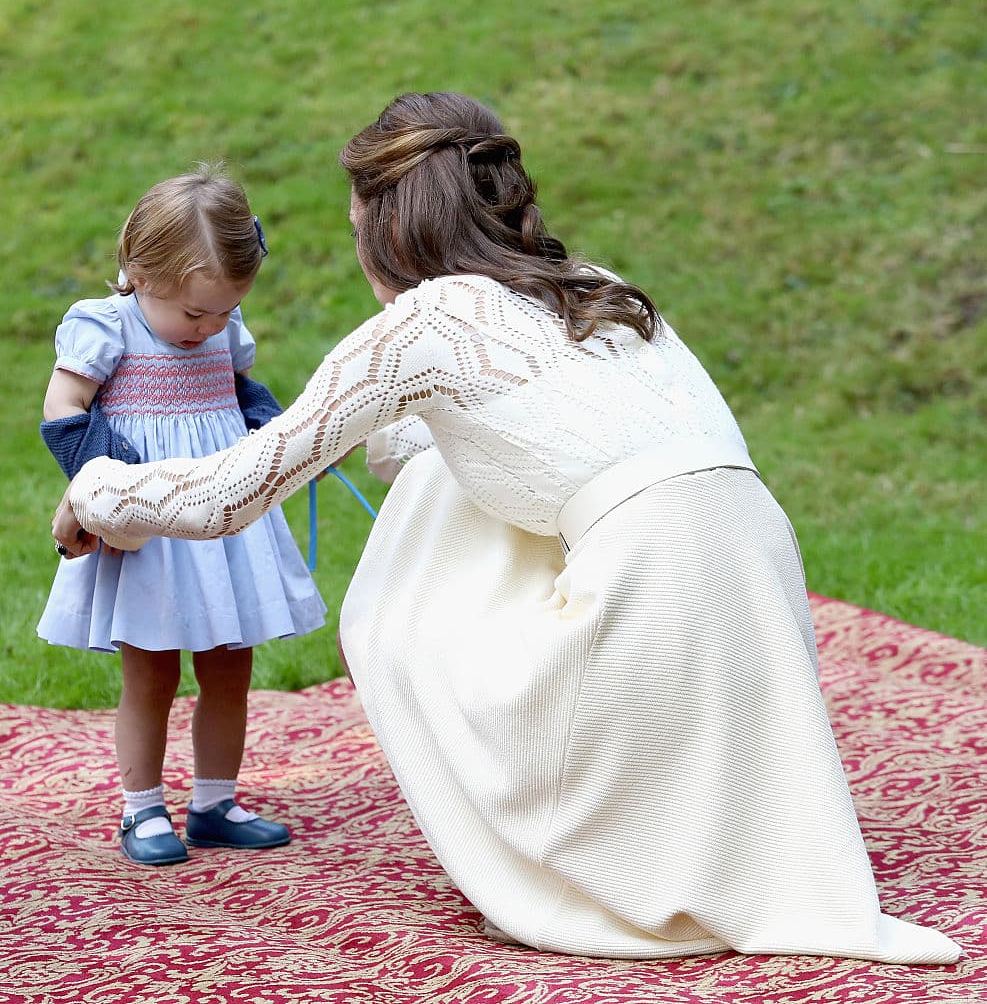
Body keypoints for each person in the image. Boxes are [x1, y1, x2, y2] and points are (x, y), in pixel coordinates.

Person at [53, 94, 959, 962]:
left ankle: (569, 850)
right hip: (757, 577)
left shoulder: (424, 323)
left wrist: (94, 492)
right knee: (448, 473)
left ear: (382, 224)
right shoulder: (594, 286)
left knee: (399, 584)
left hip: (649, 589)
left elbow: (228, 494)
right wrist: (393, 432)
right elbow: (517, 440)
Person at [40, 165, 326, 866]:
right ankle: (142, 809)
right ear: (139, 274)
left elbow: (242, 394)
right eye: (196, 315)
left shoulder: (221, 327)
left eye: (226, 311)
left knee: (230, 666)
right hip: (148, 525)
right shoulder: (105, 327)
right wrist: (108, 488)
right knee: (152, 672)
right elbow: (63, 410)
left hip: (223, 522)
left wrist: (285, 443)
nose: (211, 327)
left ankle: (214, 803)